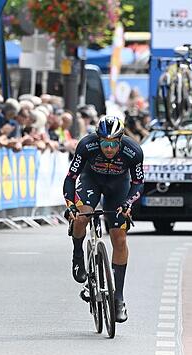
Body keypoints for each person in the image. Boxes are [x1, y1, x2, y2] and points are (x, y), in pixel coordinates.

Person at [63, 116, 144, 323]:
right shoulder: (86, 146)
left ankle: (118, 298)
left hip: (119, 186)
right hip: (92, 180)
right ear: (98, 139)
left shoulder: (133, 151)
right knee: (82, 217)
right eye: (105, 143)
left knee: (120, 238)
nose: (109, 148)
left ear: (120, 140)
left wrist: (128, 204)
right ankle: (78, 254)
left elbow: (138, 183)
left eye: (113, 144)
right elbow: (71, 178)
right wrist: (71, 205)